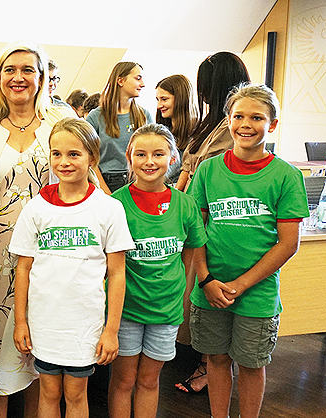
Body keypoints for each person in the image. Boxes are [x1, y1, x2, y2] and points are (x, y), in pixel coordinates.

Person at [0, 41, 76, 418]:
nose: (18, 77)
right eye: (10, 70)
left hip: (49, 252)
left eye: (28, 69)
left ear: (42, 77)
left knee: (38, 342)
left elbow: (86, 179)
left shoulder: (62, 123)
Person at [188, 84, 308, 418]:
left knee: (252, 364)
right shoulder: (209, 170)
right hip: (208, 289)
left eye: (257, 117)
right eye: (238, 115)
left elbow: (288, 243)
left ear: (272, 124)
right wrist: (206, 279)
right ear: (227, 120)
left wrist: (241, 285)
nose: (245, 123)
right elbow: (195, 232)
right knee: (216, 359)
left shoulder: (286, 176)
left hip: (257, 294)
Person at [10, 117, 134, 417]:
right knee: (49, 392)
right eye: (57, 154)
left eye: (74, 154)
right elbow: (23, 269)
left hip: (85, 326)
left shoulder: (109, 208)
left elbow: (117, 273)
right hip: (44, 323)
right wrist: (20, 321)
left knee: (77, 394)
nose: (64, 162)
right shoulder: (36, 208)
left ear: (93, 157)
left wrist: (111, 331)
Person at [108, 124, 207, 418]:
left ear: (172, 158)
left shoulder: (185, 205)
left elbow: (190, 253)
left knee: (150, 381)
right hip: (126, 310)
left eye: (158, 154)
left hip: (166, 312)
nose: (149, 161)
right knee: (124, 380)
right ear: (129, 157)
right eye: (141, 154)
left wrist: (179, 296)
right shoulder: (116, 205)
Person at [174, 52, 251, 395]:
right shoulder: (211, 124)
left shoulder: (229, 129)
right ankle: (207, 362)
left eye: (206, 86)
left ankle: (209, 366)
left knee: (207, 298)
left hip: (208, 221)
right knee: (195, 300)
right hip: (190, 218)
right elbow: (188, 173)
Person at [175, 51, 250, 192]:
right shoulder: (209, 122)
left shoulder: (231, 127)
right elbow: (187, 166)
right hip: (192, 196)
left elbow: (212, 172)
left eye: (206, 85)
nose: (202, 92)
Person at [86, 62, 153, 194]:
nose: (143, 84)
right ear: (121, 81)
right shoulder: (96, 117)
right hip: (105, 182)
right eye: (138, 78)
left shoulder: (144, 115)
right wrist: (106, 193)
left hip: (138, 181)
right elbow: (89, 159)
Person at [155, 75, 198, 184]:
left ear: (180, 99)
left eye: (164, 99)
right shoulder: (163, 130)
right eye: (158, 100)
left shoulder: (198, 132)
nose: (159, 105)